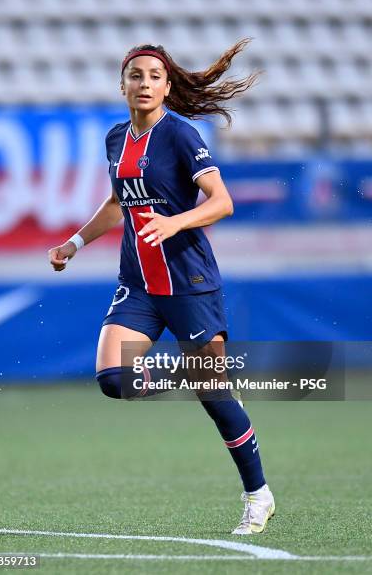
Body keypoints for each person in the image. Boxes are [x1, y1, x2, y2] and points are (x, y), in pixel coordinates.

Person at [48, 42, 275, 534]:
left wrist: (175, 225)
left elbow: (222, 201)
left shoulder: (179, 135)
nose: (145, 83)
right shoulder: (115, 139)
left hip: (190, 283)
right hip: (139, 283)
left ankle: (258, 495)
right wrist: (74, 242)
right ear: (122, 84)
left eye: (154, 75)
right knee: (113, 379)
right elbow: (117, 203)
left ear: (168, 86)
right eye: (135, 75)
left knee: (215, 396)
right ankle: (179, 376)